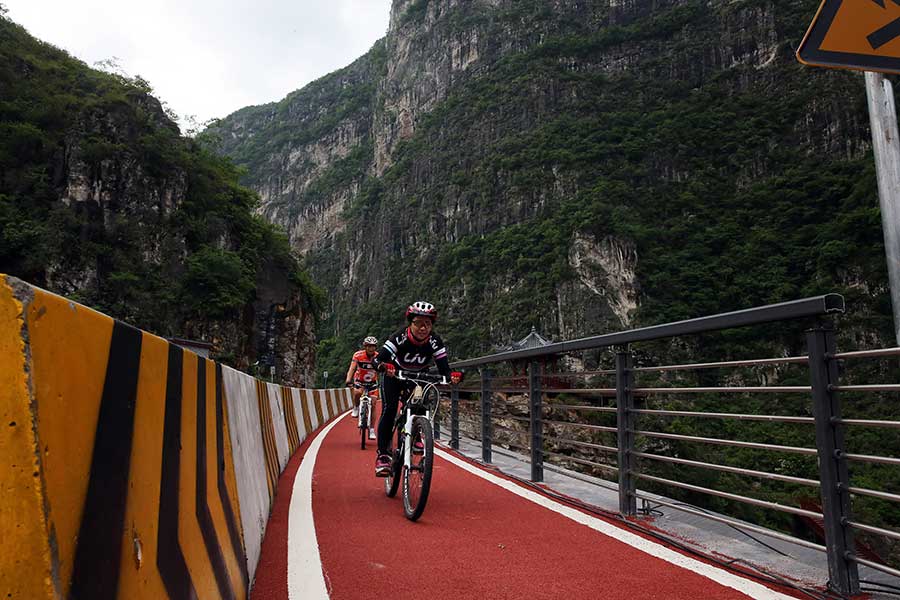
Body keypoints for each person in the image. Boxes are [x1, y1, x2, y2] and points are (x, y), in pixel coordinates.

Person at [373, 301, 462, 476]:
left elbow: (444, 368)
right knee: (390, 410)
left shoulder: (435, 341)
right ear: (410, 323)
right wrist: (384, 366)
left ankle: (415, 435)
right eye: (418, 323)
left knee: (420, 407)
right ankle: (383, 455)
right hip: (395, 376)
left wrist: (452, 377)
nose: (423, 328)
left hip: (419, 377)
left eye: (427, 324)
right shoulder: (399, 337)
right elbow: (376, 360)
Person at [345, 336, 380, 440]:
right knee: (357, 393)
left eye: (373, 347)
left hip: (372, 383)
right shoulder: (358, 355)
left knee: (373, 403)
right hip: (359, 381)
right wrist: (348, 380)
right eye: (369, 346)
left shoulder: (378, 357)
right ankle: (356, 407)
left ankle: (372, 429)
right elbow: (352, 368)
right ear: (365, 347)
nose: (371, 349)